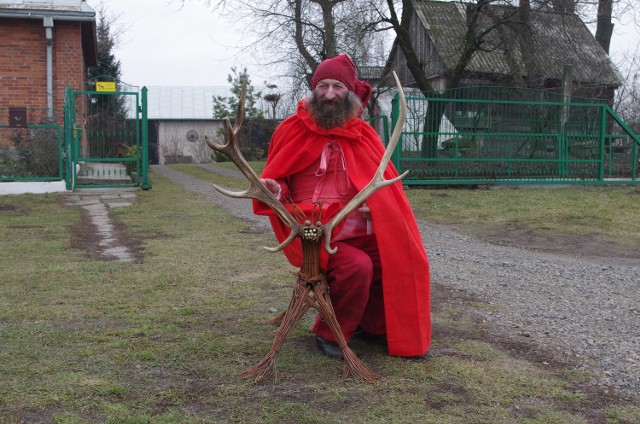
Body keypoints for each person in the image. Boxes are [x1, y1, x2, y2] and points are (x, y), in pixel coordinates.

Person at [253, 54, 431, 358]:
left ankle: (374, 326)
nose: (330, 93)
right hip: (312, 229)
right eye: (323, 85)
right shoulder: (291, 130)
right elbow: (277, 185)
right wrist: (274, 188)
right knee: (357, 266)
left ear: (349, 93)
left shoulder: (364, 135)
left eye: (337, 86)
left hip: (355, 222)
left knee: (399, 253)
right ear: (313, 90)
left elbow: (384, 186)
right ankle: (329, 332)